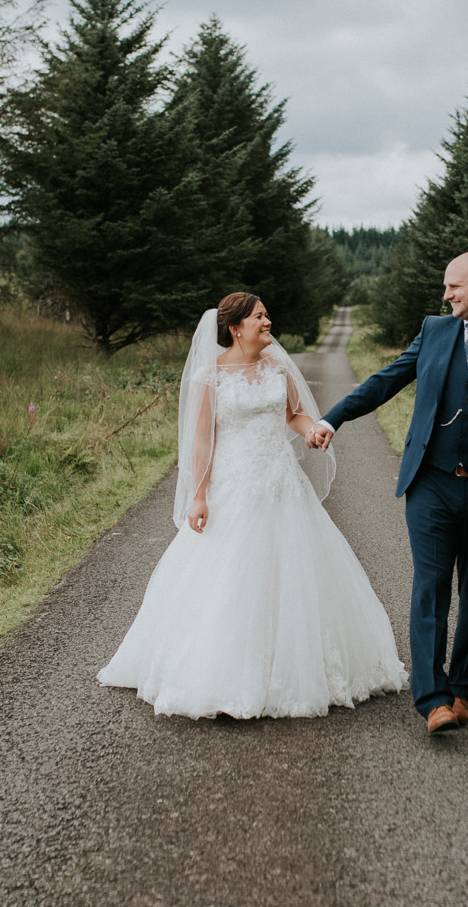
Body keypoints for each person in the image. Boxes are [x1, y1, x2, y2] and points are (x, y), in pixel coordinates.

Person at [98, 293, 407, 718]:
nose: (268, 321)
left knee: (297, 576)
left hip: (282, 484)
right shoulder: (210, 375)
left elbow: (294, 414)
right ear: (235, 327)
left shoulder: (278, 366)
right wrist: (199, 494)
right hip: (235, 486)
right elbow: (202, 439)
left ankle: (300, 667)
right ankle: (223, 673)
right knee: (229, 580)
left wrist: (313, 430)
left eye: (265, 314)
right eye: (259, 316)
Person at [310, 251, 468, 734]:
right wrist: (332, 417)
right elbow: (387, 380)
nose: (446, 296)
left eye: (454, 287)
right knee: (430, 585)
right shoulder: (435, 330)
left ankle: (464, 688)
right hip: (431, 482)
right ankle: (432, 698)